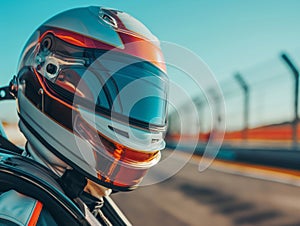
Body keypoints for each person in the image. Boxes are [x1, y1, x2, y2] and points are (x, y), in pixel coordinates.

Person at [0, 6, 168, 225]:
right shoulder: (21, 218)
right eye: (115, 93)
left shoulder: (83, 194)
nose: (130, 111)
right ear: (50, 72)